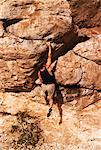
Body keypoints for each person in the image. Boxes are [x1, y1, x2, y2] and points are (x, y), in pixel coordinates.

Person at [37, 42, 56, 117]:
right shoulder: (48, 67)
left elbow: (41, 80)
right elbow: (49, 56)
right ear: (43, 65)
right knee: (51, 98)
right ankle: (50, 107)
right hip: (51, 85)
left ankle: (45, 99)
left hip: (44, 85)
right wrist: (49, 47)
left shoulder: (39, 72)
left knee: (44, 95)